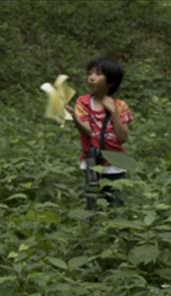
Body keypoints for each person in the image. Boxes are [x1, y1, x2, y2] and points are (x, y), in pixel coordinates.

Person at [66, 56, 133, 209]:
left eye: (97, 74)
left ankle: (116, 231)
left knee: (116, 203)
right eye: (90, 73)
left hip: (116, 163)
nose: (91, 77)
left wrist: (114, 112)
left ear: (111, 81)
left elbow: (123, 138)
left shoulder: (120, 105)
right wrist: (75, 118)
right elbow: (88, 131)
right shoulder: (83, 102)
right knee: (92, 202)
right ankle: (91, 230)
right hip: (92, 161)